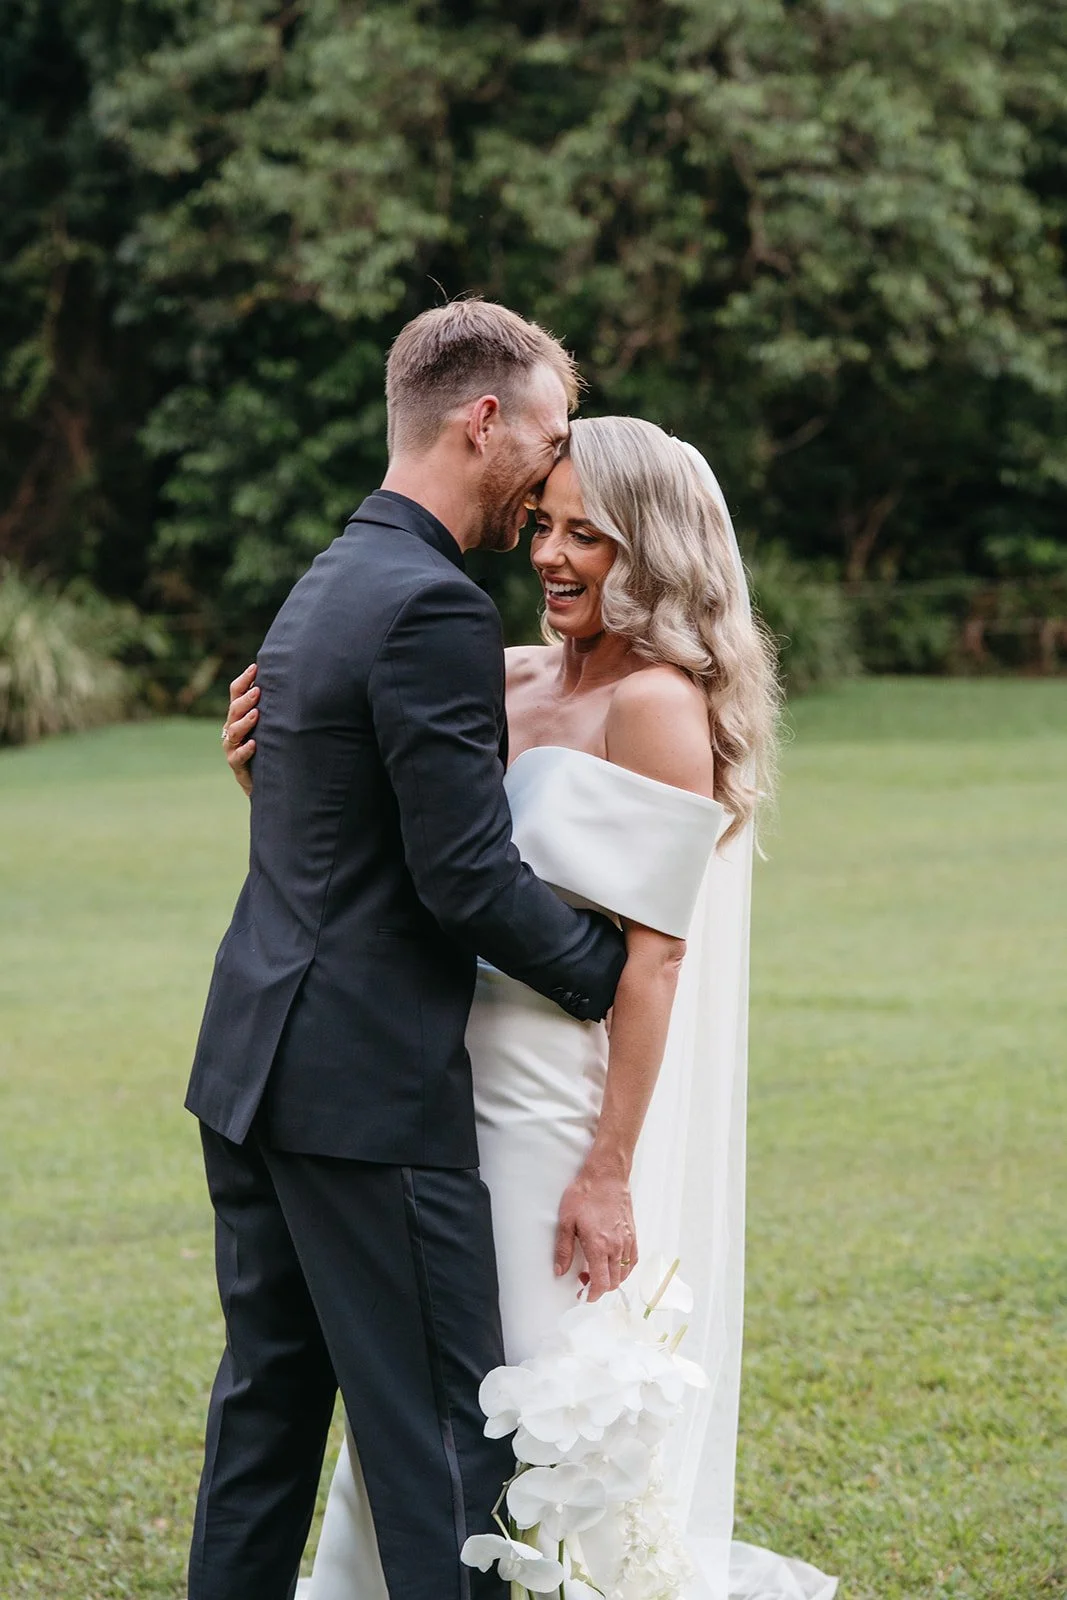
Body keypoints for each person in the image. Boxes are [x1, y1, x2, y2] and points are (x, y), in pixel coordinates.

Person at [223, 415, 839, 1599]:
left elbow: (655, 960)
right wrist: (274, 776)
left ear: (649, 551)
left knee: (517, 1395)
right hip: (425, 1077)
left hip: (546, 1108)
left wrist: (608, 1167)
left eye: (585, 535)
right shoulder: (499, 673)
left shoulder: (653, 708)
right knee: (413, 1389)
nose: (548, 554)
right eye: (543, 525)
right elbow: (408, 859)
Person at [185, 299, 632, 1600]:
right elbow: (463, 876)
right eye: (547, 435)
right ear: (481, 421)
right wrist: (607, 973)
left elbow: (326, 817)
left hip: (253, 1065)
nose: (551, 470)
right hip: (364, 1088)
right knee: (445, 1443)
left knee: (267, 1419)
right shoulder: (433, 603)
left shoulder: (326, 580)